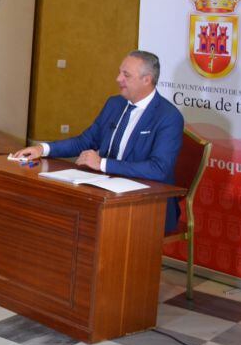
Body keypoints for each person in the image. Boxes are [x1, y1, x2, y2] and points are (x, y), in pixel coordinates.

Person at [13, 50, 185, 231]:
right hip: (104, 192)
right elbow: (85, 141)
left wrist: (102, 164)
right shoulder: (114, 104)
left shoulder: (168, 117)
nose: (118, 79)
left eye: (126, 75)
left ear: (147, 79)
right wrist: (43, 149)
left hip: (148, 204)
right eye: (120, 72)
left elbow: (159, 169)